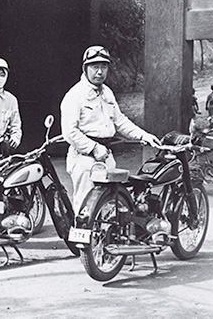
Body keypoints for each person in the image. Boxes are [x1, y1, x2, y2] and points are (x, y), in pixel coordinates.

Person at [60, 45, 161, 213]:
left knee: (110, 205)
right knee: (85, 208)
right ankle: (80, 240)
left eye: (104, 66)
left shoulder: (107, 92)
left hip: (106, 155)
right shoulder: (75, 95)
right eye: (95, 66)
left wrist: (144, 136)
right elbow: (69, 132)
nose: (100, 71)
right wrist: (93, 147)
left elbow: (120, 121)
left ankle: (105, 239)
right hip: (84, 158)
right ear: (85, 68)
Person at [0, 58, 22, 158]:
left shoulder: (11, 100)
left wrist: (15, 138)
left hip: (2, 149)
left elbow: (16, 125)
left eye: (3, 75)